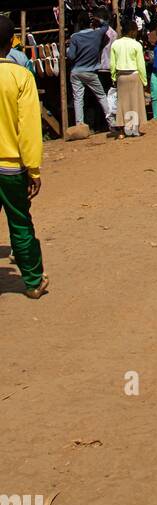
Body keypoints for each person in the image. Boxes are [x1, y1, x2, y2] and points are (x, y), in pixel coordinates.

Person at [0, 15, 48, 298]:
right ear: (11, 43)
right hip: (10, 167)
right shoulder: (20, 76)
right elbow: (28, 127)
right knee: (19, 222)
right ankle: (32, 281)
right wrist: (34, 169)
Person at [67, 12, 118, 135]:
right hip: (91, 72)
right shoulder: (97, 34)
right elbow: (106, 26)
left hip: (76, 72)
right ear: (90, 23)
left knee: (78, 99)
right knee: (101, 96)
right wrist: (98, 19)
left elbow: (71, 56)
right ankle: (112, 123)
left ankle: (80, 125)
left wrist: (69, 49)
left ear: (78, 24)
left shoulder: (74, 37)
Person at [110, 18, 148, 138]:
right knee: (135, 103)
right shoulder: (136, 45)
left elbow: (112, 64)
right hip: (134, 75)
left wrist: (113, 77)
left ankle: (122, 131)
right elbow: (141, 65)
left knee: (122, 103)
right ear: (132, 31)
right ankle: (134, 130)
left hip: (121, 76)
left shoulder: (115, 44)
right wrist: (144, 80)